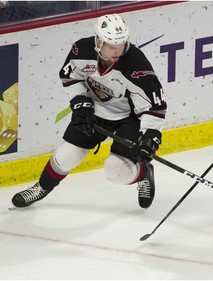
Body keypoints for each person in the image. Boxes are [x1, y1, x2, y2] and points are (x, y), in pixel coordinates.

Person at [12, 14, 167, 209]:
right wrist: (80, 101)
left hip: (130, 117)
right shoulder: (81, 50)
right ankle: (42, 187)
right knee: (68, 155)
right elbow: (70, 77)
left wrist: (150, 135)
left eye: (122, 44)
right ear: (99, 42)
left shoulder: (137, 64)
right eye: (112, 46)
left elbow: (154, 106)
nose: (118, 51)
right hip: (95, 110)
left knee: (116, 171)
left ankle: (144, 173)